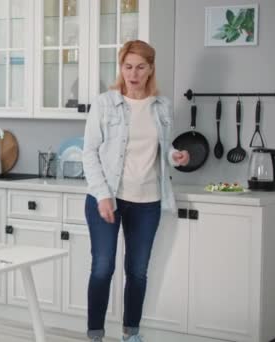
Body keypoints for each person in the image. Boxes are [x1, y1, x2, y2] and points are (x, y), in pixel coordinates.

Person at [82, 40, 190, 342]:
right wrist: (103, 195)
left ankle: (132, 334)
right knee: (103, 268)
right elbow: (89, 152)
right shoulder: (104, 103)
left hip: (148, 201)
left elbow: (163, 147)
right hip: (107, 198)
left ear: (151, 69)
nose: (133, 73)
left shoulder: (162, 105)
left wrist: (176, 155)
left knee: (138, 271)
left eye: (140, 67)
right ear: (121, 68)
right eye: (128, 66)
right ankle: (95, 335)